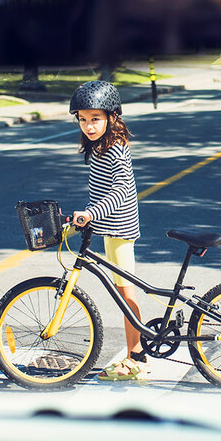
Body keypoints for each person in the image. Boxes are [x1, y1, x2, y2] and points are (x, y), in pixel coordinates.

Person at [66, 80, 147, 382]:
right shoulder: (98, 148)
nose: (88, 126)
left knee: (126, 292)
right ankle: (135, 352)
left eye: (95, 119)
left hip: (120, 229)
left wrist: (91, 213)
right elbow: (99, 192)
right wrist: (84, 218)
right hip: (108, 228)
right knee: (122, 290)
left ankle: (137, 356)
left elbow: (121, 190)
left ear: (112, 117)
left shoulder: (115, 149)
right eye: (83, 119)